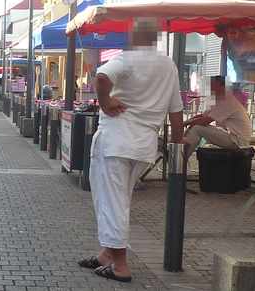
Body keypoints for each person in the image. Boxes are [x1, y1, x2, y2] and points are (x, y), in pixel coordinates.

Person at [78, 20, 184, 283]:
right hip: (143, 144)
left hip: (116, 139)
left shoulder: (127, 58)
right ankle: (106, 255)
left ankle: (121, 265)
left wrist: (104, 102)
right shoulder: (168, 65)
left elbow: (102, 77)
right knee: (120, 199)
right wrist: (179, 144)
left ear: (134, 36)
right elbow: (176, 110)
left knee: (111, 201)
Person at [182, 76, 251, 153]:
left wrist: (185, 124)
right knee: (195, 127)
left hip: (237, 141)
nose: (210, 87)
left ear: (220, 85)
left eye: (212, 84)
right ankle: (181, 150)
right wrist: (186, 123)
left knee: (197, 128)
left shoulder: (227, 100)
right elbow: (202, 116)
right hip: (233, 137)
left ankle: (183, 158)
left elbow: (204, 121)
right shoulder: (219, 98)